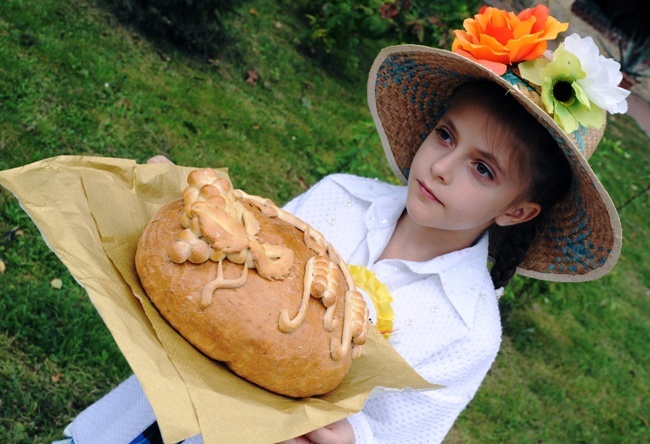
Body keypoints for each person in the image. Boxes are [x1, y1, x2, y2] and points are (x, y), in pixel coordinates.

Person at [57, 4, 629, 444]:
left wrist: (352, 435)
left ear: (516, 210)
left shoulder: (468, 332)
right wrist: (178, 213)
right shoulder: (340, 198)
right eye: (446, 135)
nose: (442, 167)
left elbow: (406, 434)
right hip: (156, 407)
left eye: (482, 169)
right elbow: (243, 279)